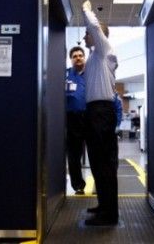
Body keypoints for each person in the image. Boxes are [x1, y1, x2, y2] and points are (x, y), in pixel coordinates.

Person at [82, 0, 119, 226]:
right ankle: (104, 206)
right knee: (97, 164)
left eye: (87, 34)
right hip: (94, 113)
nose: (85, 37)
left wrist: (87, 10)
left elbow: (95, 28)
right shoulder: (95, 58)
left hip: (101, 114)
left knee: (105, 165)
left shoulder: (104, 51)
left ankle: (109, 214)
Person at [66, 46, 87, 195]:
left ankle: (101, 185)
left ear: (84, 57)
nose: (78, 58)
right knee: (74, 155)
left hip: (90, 117)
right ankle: (78, 185)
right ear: (71, 59)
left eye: (80, 55)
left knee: (97, 153)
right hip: (72, 119)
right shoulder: (66, 75)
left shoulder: (92, 74)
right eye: (75, 56)